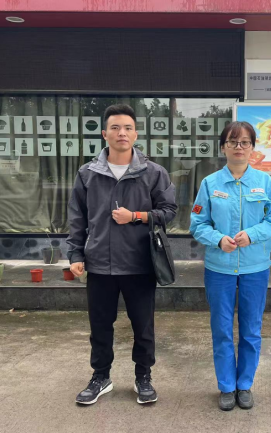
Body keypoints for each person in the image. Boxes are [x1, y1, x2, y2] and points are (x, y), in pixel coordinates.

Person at [67, 104, 177, 406]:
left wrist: (136, 216)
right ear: (104, 134)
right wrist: (75, 254)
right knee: (100, 326)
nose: (121, 133)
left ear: (136, 134)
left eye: (127, 128)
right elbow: (77, 217)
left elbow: (169, 212)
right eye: (115, 128)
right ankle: (100, 377)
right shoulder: (87, 174)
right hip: (99, 264)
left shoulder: (153, 173)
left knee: (143, 326)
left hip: (140, 263)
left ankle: (144, 377)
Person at [190, 121, 271, 411]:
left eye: (245, 142)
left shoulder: (265, 183)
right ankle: (226, 386)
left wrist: (253, 234)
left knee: (251, 330)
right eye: (233, 142)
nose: (239, 147)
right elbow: (197, 223)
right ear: (223, 147)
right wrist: (218, 239)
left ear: (252, 148)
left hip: (255, 267)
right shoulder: (210, 184)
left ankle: (244, 384)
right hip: (219, 268)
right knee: (221, 329)